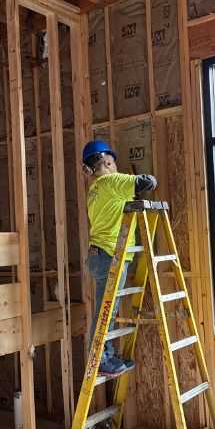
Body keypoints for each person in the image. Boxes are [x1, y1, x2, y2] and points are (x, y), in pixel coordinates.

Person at [82, 140, 157, 375]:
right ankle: (100, 359)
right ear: (107, 161)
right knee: (105, 311)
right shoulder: (111, 181)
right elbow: (149, 182)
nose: (116, 167)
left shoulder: (94, 189)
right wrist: (130, 184)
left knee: (108, 309)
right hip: (109, 256)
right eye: (113, 163)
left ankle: (109, 355)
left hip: (98, 255)